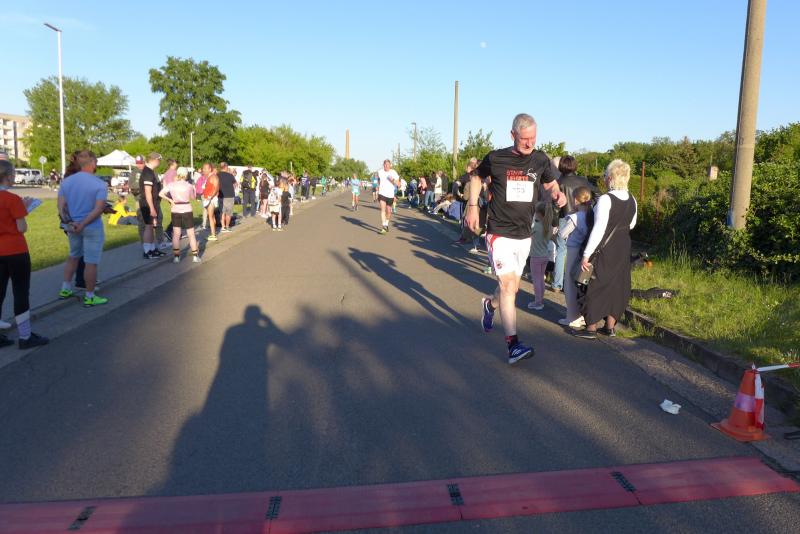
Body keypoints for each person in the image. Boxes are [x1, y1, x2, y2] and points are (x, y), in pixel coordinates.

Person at [465, 113, 565, 364]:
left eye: (533, 138)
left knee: (510, 288)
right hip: (499, 232)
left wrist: (557, 195)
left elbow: (550, 185)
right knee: (509, 287)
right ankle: (513, 345)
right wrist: (472, 206)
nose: (529, 143)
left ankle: (490, 305)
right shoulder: (496, 158)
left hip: (524, 234)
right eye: (524, 139)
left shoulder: (540, 159)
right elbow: (476, 176)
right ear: (512, 135)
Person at [575, 159, 638, 339]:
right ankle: (610, 327)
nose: (603, 179)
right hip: (623, 245)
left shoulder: (605, 199)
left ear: (610, 178)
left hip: (605, 248)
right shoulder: (632, 199)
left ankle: (591, 328)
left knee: (597, 284)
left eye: (605, 175)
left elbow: (599, 229)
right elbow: (632, 224)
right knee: (618, 286)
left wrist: (586, 255)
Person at [0, 160, 48, 348]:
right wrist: (24, 208)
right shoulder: (12, 199)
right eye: (13, 174)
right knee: (20, 292)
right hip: (15, 250)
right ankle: (25, 336)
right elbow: (21, 227)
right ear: (7, 176)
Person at [57, 150, 109, 307]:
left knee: (73, 256)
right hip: (92, 227)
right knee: (91, 262)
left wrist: (70, 222)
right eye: (96, 163)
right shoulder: (99, 184)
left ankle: (65, 288)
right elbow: (98, 209)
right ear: (92, 163)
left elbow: (61, 207)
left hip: (73, 226)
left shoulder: (66, 182)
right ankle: (90, 296)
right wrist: (83, 223)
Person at [552, 155, 594, 292]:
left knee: (561, 251)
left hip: (564, 218)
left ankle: (557, 284)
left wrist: (554, 223)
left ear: (560, 167)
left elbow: (555, 205)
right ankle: (577, 280)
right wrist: (591, 209)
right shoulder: (583, 181)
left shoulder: (558, 183)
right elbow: (598, 194)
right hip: (584, 216)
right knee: (581, 250)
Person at [558, 186, 593, 328]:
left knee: (569, 283)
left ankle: (572, 316)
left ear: (576, 200)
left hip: (573, 250)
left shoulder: (575, 217)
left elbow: (562, 234)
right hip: (584, 251)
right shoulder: (591, 216)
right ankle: (581, 315)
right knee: (580, 283)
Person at [160, 166, 201, 264]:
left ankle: (176, 257)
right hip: (187, 208)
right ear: (186, 175)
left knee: (176, 234)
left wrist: (170, 200)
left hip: (175, 209)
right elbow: (193, 197)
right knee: (191, 233)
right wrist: (193, 190)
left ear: (177, 174)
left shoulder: (171, 185)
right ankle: (195, 256)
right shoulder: (189, 185)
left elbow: (161, 193)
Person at [527, 201, 556, 311]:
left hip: (535, 256)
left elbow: (528, 232)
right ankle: (540, 299)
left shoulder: (536, 226)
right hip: (545, 256)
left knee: (536, 280)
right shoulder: (548, 227)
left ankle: (538, 302)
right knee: (541, 279)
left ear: (539, 213)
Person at [139, 152, 165, 259]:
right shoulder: (147, 173)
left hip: (153, 203)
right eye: (159, 160)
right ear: (154, 160)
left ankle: (152, 249)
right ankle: (147, 252)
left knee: (151, 227)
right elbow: (147, 192)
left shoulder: (150, 171)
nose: (160, 162)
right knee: (148, 226)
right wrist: (152, 208)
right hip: (148, 204)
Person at [377, 159, 400, 234]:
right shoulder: (380, 172)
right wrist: (377, 187)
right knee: (383, 210)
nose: (386, 166)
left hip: (390, 194)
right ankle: (384, 226)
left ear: (390, 165)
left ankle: (386, 224)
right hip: (382, 193)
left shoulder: (393, 172)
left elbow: (399, 184)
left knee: (389, 211)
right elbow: (378, 181)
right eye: (385, 164)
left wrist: (392, 180)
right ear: (383, 165)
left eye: (388, 164)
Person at [201, 162, 220, 241]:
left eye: (205, 168)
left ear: (210, 169)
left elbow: (216, 188)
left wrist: (210, 197)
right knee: (212, 216)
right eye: (203, 168)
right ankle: (213, 232)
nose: (204, 170)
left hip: (210, 200)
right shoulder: (210, 176)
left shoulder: (213, 177)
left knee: (210, 217)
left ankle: (213, 234)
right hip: (209, 199)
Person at [216, 162, 236, 233]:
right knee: (228, 212)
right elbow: (235, 184)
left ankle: (223, 227)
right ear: (226, 167)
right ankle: (227, 227)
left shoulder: (217, 175)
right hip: (229, 195)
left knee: (222, 212)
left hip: (220, 195)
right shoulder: (230, 175)